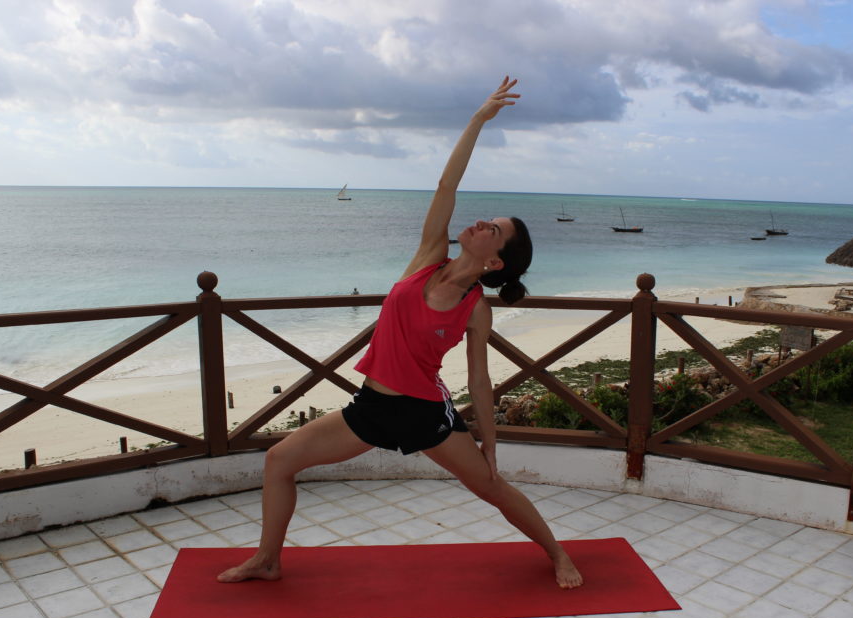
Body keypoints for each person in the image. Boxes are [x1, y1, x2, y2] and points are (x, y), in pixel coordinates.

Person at [219, 77, 583, 589]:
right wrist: (478, 119)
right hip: (371, 406)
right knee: (279, 460)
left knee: (491, 488)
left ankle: (558, 554)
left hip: (424, 415)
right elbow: (446, 187)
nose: (480, 221)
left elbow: (479, 382)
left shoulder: (476, 309)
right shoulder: (428, 257)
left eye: (492, 229)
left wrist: (490, 443)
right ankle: (268, 559)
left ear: (495, 259)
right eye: (487, 218)